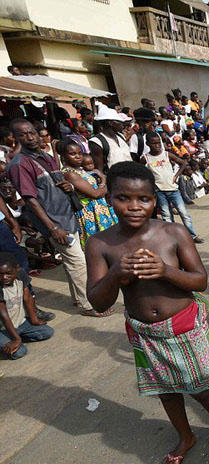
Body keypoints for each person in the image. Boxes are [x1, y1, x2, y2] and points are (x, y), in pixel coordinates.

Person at [86, 161, 209, 464]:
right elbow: (98, 301)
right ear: (109, 198)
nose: (134, 207)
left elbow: (200, 281)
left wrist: (165, 271)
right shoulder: (100, 243)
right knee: (166, 390)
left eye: (143, 199)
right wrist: (116, 274)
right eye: (123, 198)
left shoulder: (172, 233)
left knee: (200, 387)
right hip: (144, 332)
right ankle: (185, 436)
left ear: (155, 199)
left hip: (184, 326)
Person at [7, 119, 105, 317]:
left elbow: (57, 184)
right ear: (15, 139)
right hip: (55, 223)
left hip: (67, 216)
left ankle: (78, 299)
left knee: (73, 263)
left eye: (32, 132)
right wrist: (52, 228)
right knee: (79, 262)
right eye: (23, 135)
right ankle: (88, 304)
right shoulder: (20, 164)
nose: (30, 137)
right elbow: (31, 200)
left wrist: (68, 187)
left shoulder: (47, 157)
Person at [143, 133, 202, 244]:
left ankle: (192, 236)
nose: (157, 145)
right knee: (166, 216)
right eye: (154, 143)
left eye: (158, 143)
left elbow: (183, 163)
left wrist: (176, 176)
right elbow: (141, 172)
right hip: (159, 191)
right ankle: (172, 238)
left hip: (173, 190)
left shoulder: (166, 154)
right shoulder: (146, 158)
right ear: (148, 144)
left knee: (183, 213)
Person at [59, 140, 117, 248]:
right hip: (89, 213)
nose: (78, 157)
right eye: (72, 154)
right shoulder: (70, 173)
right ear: (64, 156)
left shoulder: (80, 170)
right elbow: (95, 194)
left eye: (79, 153)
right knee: (99, 245)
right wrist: (110, 185)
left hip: (99, 209)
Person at [0, 252, 53, 360]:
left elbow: (27, 297)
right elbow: (3, 315)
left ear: (17, 269)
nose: (4, 277)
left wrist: (34, 319)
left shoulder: (21, 274)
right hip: (3, 328)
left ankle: (14, 337)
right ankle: (11, 339)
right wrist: (17, 339)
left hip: (20, 323)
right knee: (20, 352)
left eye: (8, 273)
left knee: (47, 332)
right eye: (0, 274)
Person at [89, 108, 133, 174]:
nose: (122, 124)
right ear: (110, 123)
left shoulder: (121, 137)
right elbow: (99, 169)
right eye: (119, 121)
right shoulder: (97, 142)